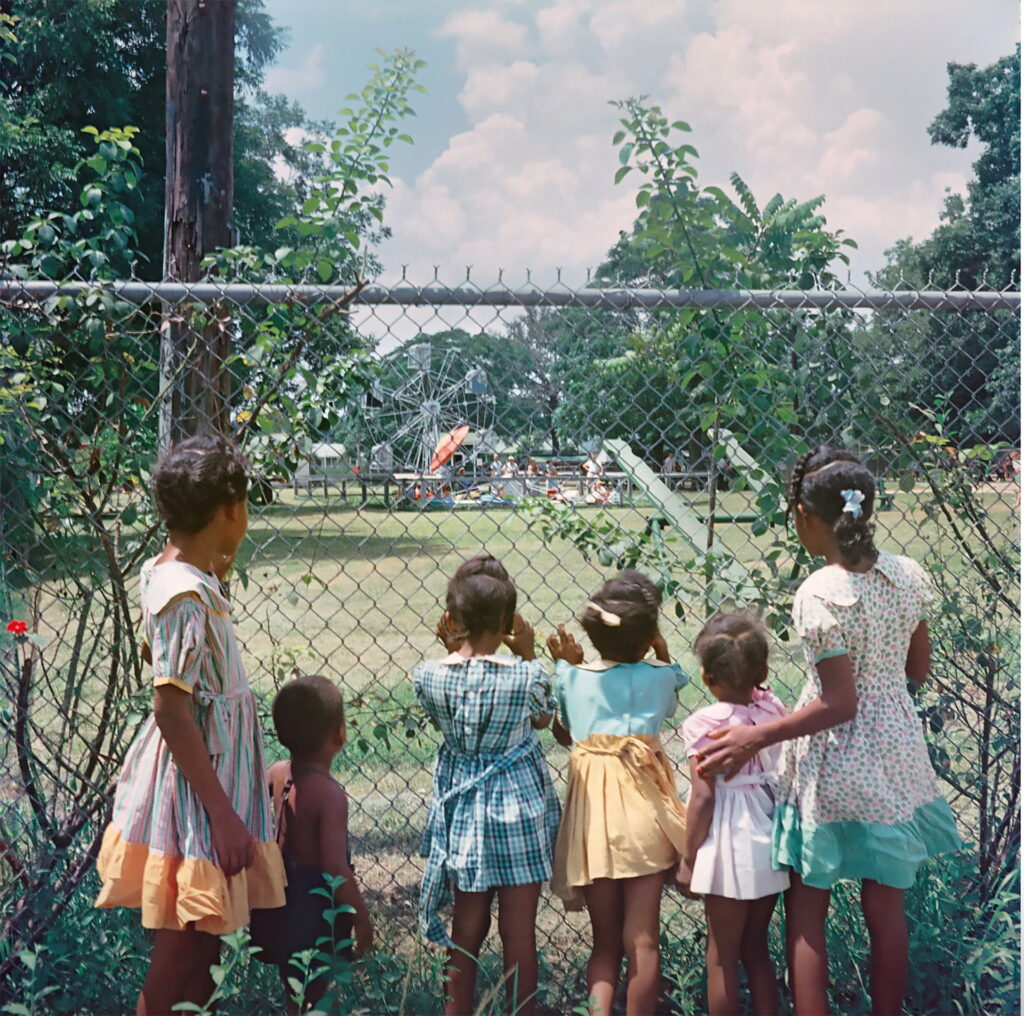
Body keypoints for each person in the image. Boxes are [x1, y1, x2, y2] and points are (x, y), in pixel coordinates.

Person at [697, 446, 961, 1016]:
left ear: (805, 517)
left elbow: (839, 704)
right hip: (895, 758)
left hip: (833, 767)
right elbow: (917, 670)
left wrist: (757, 737)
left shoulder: (818, 592)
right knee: (887, 911)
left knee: (807, 911)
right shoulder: (908, 575)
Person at [95, 435, 286, 1015]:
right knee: (180, 948)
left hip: (209, 783)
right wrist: (225, 817)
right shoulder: (185, 596)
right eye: (246, 504)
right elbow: (171, 710)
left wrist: (216, 566)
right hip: (199, 798)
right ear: (230, 508)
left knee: (206, 940)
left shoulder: (182, 574)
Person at [416, 554, 561, 1016]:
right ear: (508, 622)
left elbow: (447, 700)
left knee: (466, 930)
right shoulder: (528, 676)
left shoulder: (429, 676)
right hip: (519, 811)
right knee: (519, 934)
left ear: (452, 619)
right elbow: (542, 718)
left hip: (465, 816)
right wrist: (528, 654)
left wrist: (452, 644)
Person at [547, 571, 689, 1016]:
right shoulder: (660, 677)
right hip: (645, 819)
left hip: (593, 825)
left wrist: (565, 664)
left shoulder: (570, 680)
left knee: (604, 945)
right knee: (643, 940)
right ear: (649, 636)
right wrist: (660, 651)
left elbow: (563, 732)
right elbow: (674, 681)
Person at [676, 613, 789, 1016]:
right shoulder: (773, 710)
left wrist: (688, 859)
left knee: (721, 957)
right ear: (762, 671)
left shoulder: (703, 724)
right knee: (757, 948)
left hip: (729, 842)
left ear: (707, 678)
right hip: (767, 832)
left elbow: (704, 798)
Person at [253, 676, 373, 1014]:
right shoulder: (329, 795)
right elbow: (334, 866)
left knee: (292, 983)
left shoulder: (277, 772)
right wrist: (361, 917)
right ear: (339, 733)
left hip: (277, 897)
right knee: (317, 990)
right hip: (314, 906)